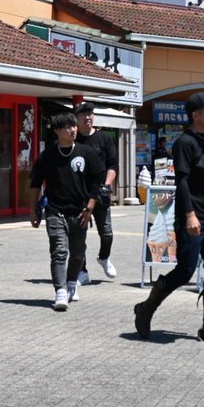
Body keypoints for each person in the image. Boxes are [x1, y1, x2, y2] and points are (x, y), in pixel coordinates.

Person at [133, 91, 204, 343]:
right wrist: (190, 214)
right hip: (192, 216)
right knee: (185, 269)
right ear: (195, 115)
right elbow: (182, 182)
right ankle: (146, 308)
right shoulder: (184, 143)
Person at [29, 112, 103, 310]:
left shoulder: (87, 153)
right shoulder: (47, 156)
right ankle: (60, 291)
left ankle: (72, 283)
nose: (73, 130)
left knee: (78, 252)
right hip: (54, 209)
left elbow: (97, 182)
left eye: (74, 126)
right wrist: (33, 210)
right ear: (57, 131)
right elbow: (36, 183)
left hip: (80, 211)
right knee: (59, 251)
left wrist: (90, 207)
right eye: (68, 127)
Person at [73, 102, 119, 282]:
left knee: (107, 233)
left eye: (90, 114)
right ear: (76, 118)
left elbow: (113, 165)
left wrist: (107, 186)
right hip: (79, 194)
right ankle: (81, 271)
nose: (88, 117)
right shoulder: (74, 140)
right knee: (79, 235)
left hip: (100, 193)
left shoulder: (104, 139)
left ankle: (104, 257)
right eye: (84, 115)